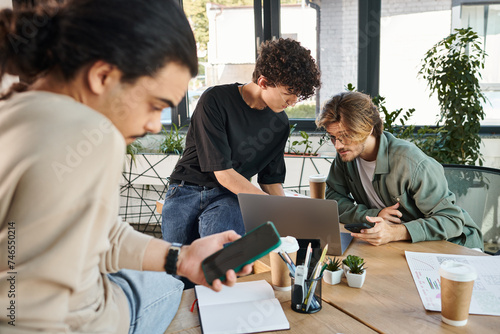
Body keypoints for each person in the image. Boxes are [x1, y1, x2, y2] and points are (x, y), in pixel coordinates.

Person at [0, 1, 251, 333]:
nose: (154, 125)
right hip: (99, 320)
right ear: (102, 76)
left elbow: (98, 235)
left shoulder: (14, 109)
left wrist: (183, 257)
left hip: (90, 293)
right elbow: (28, 314)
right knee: (173, 287)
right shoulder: (92, 134)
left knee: (167, 276)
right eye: (154, 105)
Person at [162, 38, 321, 245]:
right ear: (263, 82)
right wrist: (270, 206)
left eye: (297, 95)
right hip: (187, 189)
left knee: (218, 258)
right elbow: (224, 174)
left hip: (229, 196)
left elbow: (270, 181)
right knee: (178, 267)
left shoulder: (280, 124)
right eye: (288, 93)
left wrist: (286, 215)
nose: (293, 102)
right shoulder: (215, 100)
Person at [316, 91, 483, 249]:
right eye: (333, 137)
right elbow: (333, 199)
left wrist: (395, 232)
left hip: (454, 247)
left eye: (345, 135)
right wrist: (374, 214)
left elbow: (451, 220)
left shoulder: (410, 162)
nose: (338, 145)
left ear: (368, 128)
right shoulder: (347, 155)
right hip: (405, 247)